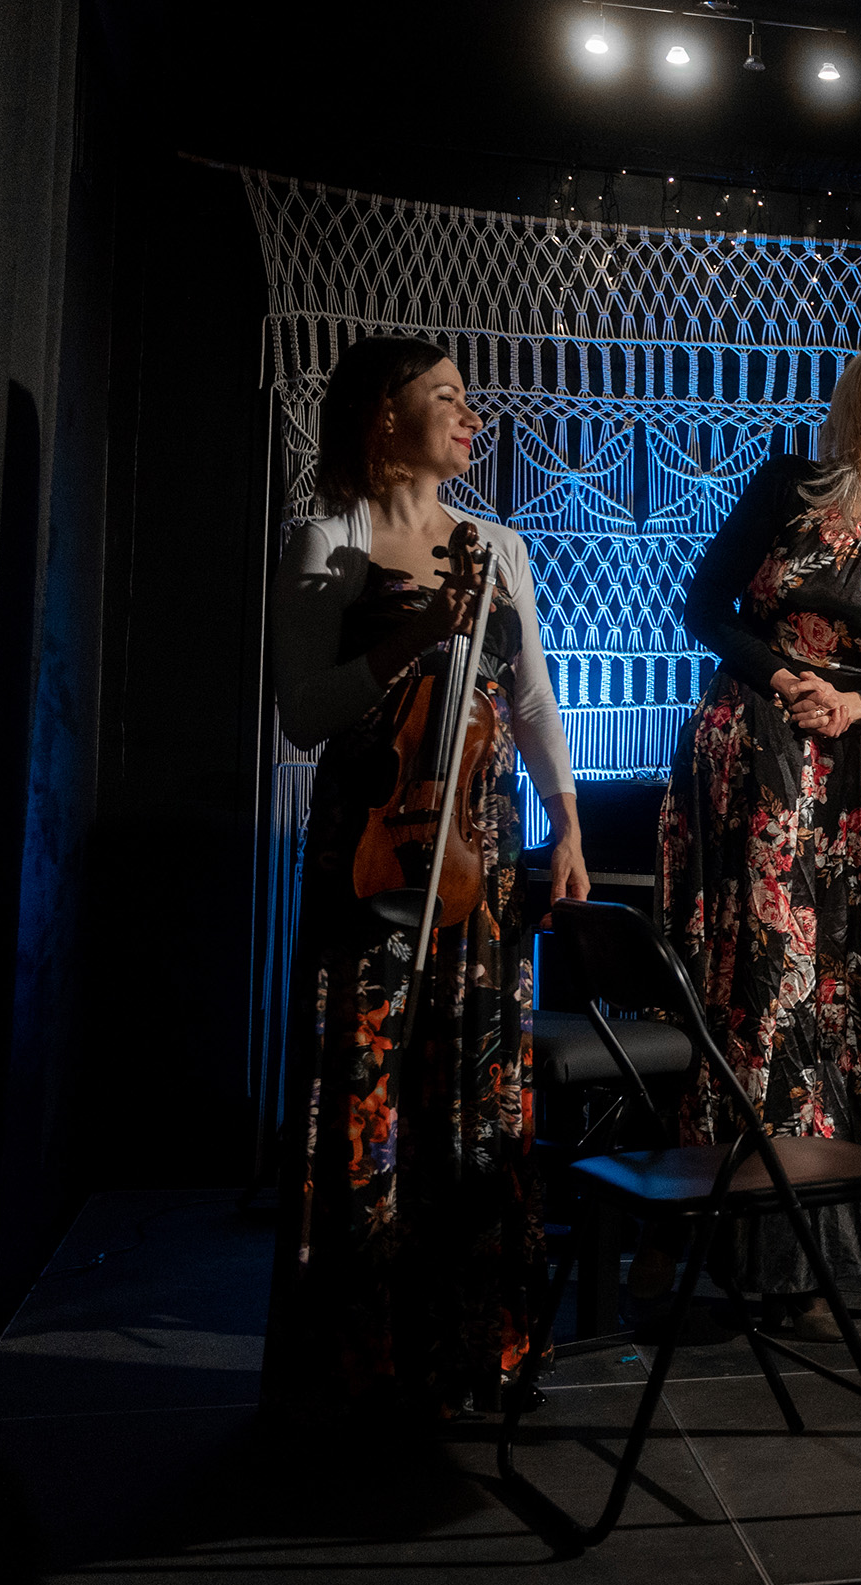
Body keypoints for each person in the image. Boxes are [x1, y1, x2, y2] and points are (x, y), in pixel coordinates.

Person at [262, 336, 590, 1425]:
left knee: (472, 1091)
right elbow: (302, 714)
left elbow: (531, 699)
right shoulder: (330, 539)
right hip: (371, 849)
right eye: (445, 396)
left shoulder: (498, 545)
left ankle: (472, 1349)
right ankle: (358, 1363)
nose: (470, 415)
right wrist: (407, 635)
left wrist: (568, 825)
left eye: (466, 397)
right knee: (366, 1084)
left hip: (478, 856)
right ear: (383, 415)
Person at [655, 323, 861, 1341]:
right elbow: (702, 607)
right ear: (858, 401)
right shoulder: (789, 486)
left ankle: (808, 1255)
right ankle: (747, 1254)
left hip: (844, 772)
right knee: (763, 991)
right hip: (748, 745)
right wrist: (785, 675)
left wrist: (855, 708)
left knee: (827, 1003)